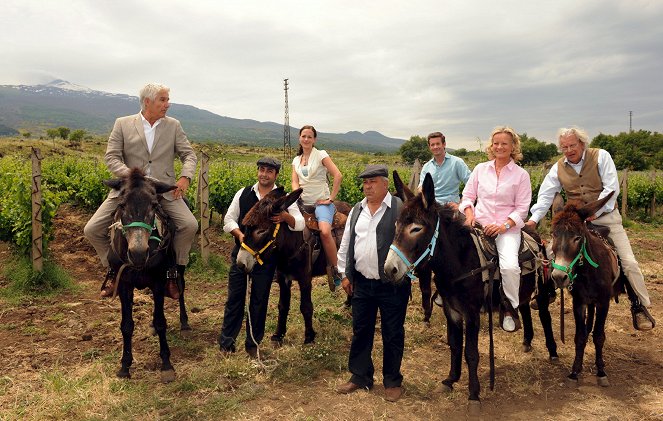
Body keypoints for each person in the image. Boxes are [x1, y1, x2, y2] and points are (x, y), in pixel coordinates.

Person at [526, 127, 655, 331]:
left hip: (606, 217)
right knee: (552, 252)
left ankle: (639, 305)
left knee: (629, 262)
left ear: (582, 144)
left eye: (572, 145)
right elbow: (546, 195)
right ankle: (547, 291)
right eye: (564, 147)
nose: (568, 150)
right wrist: (533, 220)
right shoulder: (558, 168)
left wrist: (598, 211)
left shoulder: (601, 156)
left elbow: (612, 188)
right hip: (576, 222)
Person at [84, 83, 198, 299]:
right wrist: (131, 176)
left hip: (163, 190)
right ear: (148, 102)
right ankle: (112, 269)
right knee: (92, 229)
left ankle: (173, 272)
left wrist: (185, 177)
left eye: (167, 99)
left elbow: (189, 155)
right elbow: (111, 157)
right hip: (129, 190)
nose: (167, 104)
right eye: (163, 100)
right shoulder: (123, 124)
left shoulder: (173, 125)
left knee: (189, 225)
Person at [335, 164, 408, 402]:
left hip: (392, 285)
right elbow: (346, 243)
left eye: (373, 181)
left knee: (393, 332)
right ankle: (360, 376)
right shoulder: (357, 209)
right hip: (362, 284)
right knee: (361, 330)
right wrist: (345, 274)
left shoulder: (399, 208)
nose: (367, 186)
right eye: (365, 182)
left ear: (385, 184)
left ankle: (392, 380)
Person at [219, 157, 305, 358]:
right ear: (258, 171)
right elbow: (228, 220)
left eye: (269, 171)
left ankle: (253, 345)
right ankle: (226, 344)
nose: (264, 174)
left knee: (259, 301)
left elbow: (300, 223)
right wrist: (240, 236)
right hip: (241, 253)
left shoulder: (282, 199)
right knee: (235, 299)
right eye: (262, 170)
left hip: (266, 259)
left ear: (275, 175)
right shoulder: (243, 193)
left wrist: (286, 217)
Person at [459, 126, 531, 333]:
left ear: (513, 147)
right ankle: (451, 294)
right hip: (478, 226)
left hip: (506, 229)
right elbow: (467, 196)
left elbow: (522, 208)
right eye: (496, 143)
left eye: (504, 143)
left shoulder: (521, 175)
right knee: (454, 254)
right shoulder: (481, 169)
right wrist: (470, 215)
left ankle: (510, 308)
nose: (499, 147)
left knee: (509, 267)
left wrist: (503, 226)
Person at [291, 125, 343, 291]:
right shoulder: (295, 160)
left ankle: (336, 269)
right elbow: (294, 181)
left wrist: (331, 198)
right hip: (302, 203)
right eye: (304, 136)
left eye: (309, 137)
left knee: (325, 231)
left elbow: (338, 175)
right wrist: (295, 194)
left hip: (320, 203)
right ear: (300, 138)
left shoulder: (321, 155)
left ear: (314, 140)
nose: (306, 139)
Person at [419, 131, 471, 208]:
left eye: (438, 143)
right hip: (432, 207)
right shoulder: (427, 166)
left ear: (444, 144)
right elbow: (421, 188)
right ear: (429, 147)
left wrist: (460, 204)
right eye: (432, 145)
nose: (435, 147)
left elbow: (471, 184)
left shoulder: (457, 162)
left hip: (451, 207)